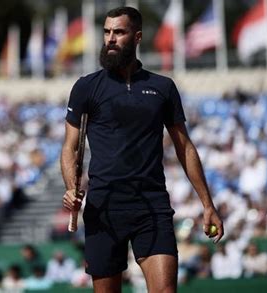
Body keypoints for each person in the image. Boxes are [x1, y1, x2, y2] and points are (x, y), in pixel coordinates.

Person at [61, 6, 223, 293]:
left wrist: (207, 204)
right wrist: (72, 187)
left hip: (152, 206)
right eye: (107, 32)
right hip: (104, 208)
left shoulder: (162, 87)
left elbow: (184, 147)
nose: (110, 38)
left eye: (119, 32)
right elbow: (70, 148)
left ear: (136, 37)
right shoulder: (86, 87)